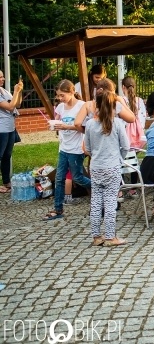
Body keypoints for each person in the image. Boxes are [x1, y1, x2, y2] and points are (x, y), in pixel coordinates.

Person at [84, 90, 130, 247]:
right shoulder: (117, 123)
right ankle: (110, 237)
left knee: (96, 202)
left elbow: (87, 148)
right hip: (112, 167)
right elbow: (126, 146)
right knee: (110, 202)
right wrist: (119, 158)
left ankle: (96, 236)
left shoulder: (90, 124)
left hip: (96, 167)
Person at [42, 80, 89, 220]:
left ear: (72, 92)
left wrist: (66, 127)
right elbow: (56, 120)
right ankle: (58, 209)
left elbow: (84, 128)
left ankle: (102, 188)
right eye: (58, 96)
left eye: (62, 95)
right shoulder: (61, 107)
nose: (60, 99)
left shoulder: (82, 106)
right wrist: (52, 124)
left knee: (78, 178)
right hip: (63, 147)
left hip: (76, 148)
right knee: (59, 178)